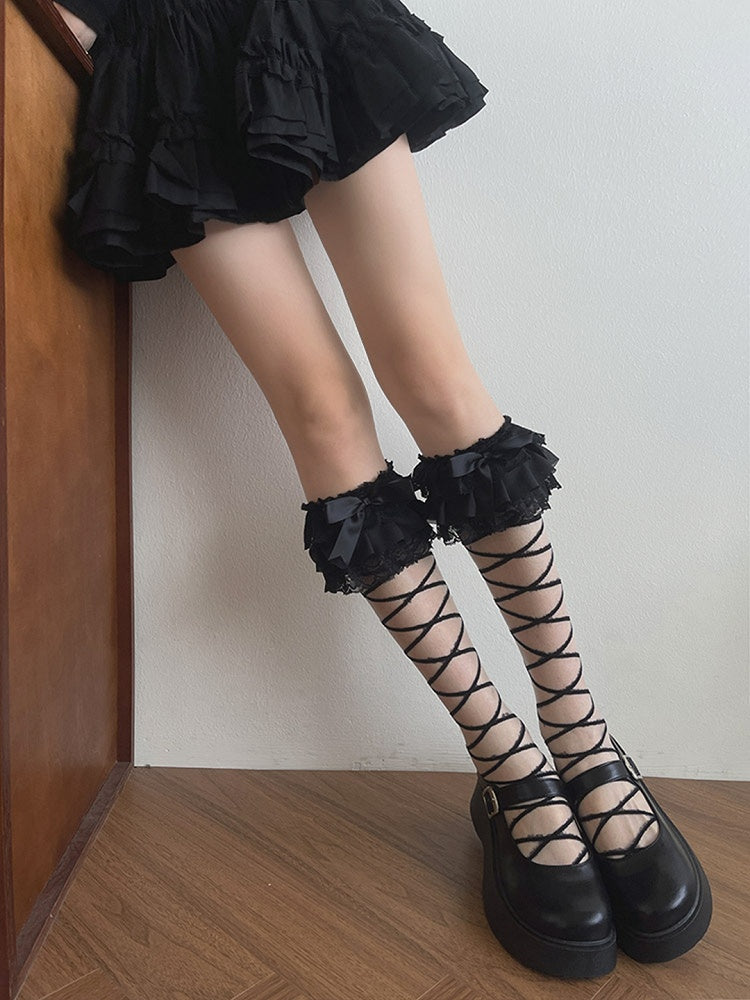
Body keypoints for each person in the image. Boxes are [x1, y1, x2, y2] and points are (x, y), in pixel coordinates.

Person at [53, 0, 712, 979]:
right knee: (321, 415)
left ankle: (580, 734)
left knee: (436, 380)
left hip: (292, 16)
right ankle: (506, 765)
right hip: (153, 49)